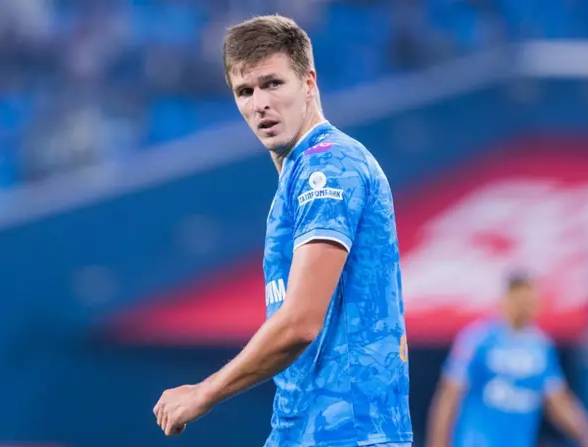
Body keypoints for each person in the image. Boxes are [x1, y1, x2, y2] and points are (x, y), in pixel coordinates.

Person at [152, 14, 413, 447]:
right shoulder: (297, 176)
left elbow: (300, 323)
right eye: (245, 91)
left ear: (309, 82)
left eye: (273, 83)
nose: (260, 103)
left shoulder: (328, 167)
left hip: (348, 433)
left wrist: (203, 393)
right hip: (304, 429)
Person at [426, 273, 588, 447]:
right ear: (506, 300)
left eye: (530, 302)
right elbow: (449, 396)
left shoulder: (541, 346)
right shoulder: (478, 339)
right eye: (521, 301)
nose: (526, 307)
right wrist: (437, 442)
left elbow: (558, 402)